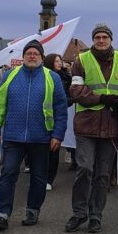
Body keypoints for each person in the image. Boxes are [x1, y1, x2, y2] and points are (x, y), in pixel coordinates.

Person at [0, 40, 68, 231]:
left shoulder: (52, 78)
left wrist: (58, 134)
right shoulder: (10, 76)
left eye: (36, 54)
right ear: (23, 57)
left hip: (41, 137)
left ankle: (32, 210)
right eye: (29, 53)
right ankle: (2, 214)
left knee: (39, 177)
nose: (32, 56)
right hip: (13, 137)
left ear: (41, 57)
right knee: (8, 173)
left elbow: (60, 109)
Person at [65, 23, 118, 233]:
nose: (101, 40)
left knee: (103, 175)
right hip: (87, 123)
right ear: (94, 40)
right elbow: (76, 90)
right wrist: (102, 98)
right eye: (98, 37)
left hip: (111, 124)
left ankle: (96, 215)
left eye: (105, 37)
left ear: (111, 39)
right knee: (84, 169)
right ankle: (79, 213)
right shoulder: (81, 60)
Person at [44, 53, 72, 190]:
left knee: (53, 148)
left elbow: (69, 95)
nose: (59, 63)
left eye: (60, 61)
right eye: (56, 61)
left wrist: (69, 101)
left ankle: (49, 179)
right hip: (43, 117)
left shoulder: (66, 77)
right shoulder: (43, 76)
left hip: (58, 115)